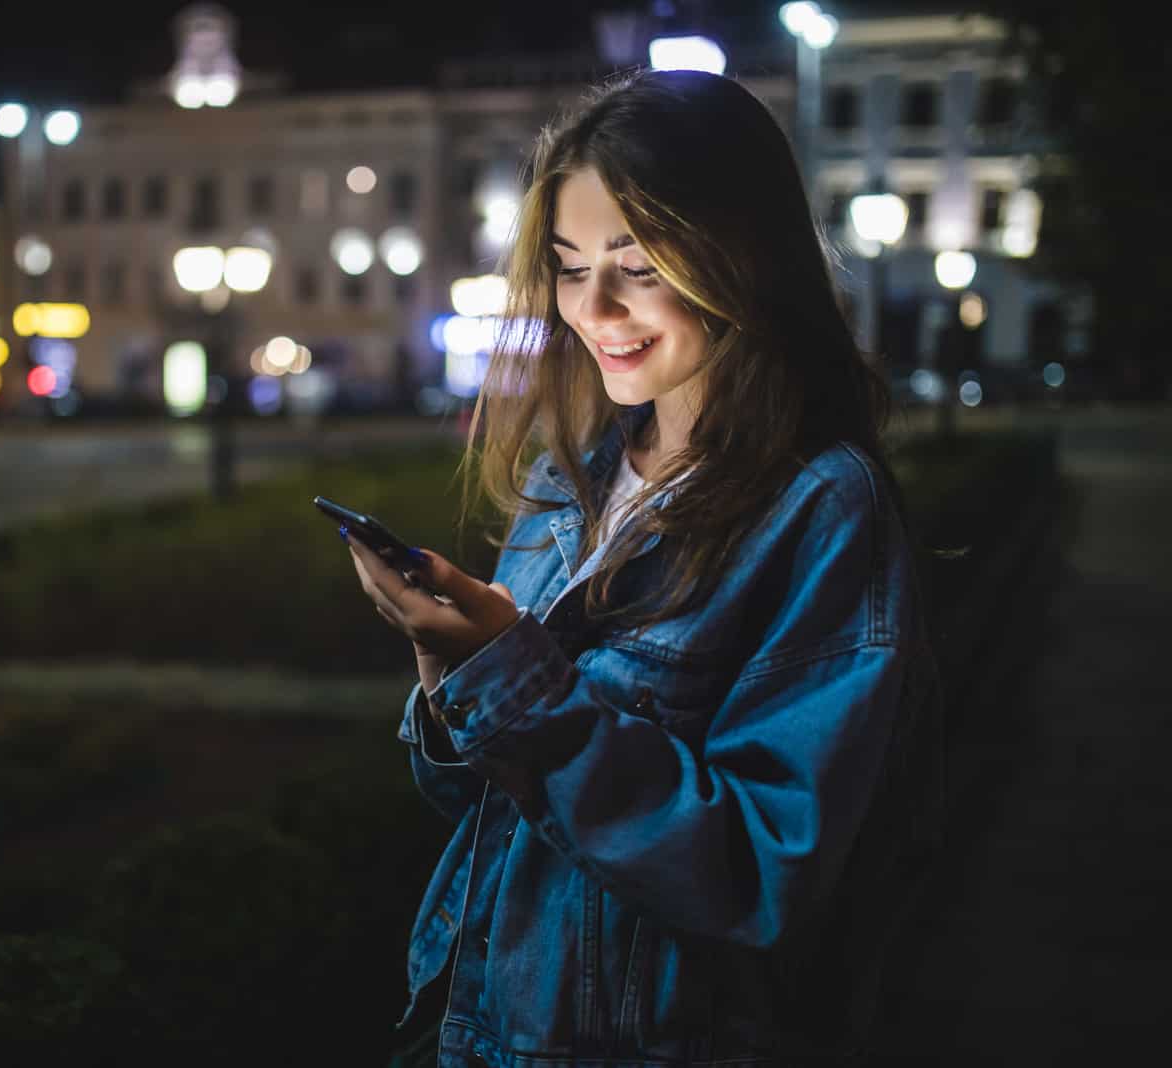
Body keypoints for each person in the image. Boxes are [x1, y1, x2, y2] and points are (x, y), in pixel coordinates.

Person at [344, 69, 948, 1066]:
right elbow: (485, 806)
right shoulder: (566, 477)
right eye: (568, 265)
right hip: (479, 1027)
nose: (596, 307)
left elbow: (761, 873)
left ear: (739, 256)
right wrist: (450, 667)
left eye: (640, 263)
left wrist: (516, 683)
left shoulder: (818, 506)